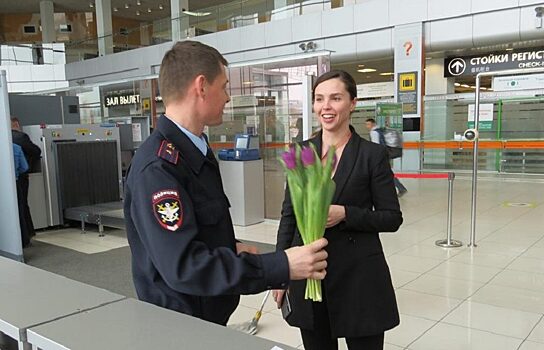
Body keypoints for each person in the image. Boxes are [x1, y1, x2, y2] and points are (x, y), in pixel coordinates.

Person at [123, 40, 328, 326]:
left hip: (206, 317)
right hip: (180, 327)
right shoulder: (158, 169)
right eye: (224, 86)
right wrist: (282, 266)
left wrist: (229, 246)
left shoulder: (195, 151)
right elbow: (185, 267)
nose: (228, 97)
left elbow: (195, 229)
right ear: (202, 86)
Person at [274, 70, 403, 350]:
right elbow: (289, 216)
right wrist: (280, 271)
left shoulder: (371, 155)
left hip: (359, 277)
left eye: (335, 98)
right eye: (319, 99)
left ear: (352, 103)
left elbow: (392, 217)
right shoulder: (302, 152)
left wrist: (345, 213)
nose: (326, 106)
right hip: (310, 275)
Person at [11, 117, 41, 240]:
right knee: (22, 204)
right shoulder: (21, 137)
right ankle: (27, 233)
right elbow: (36, 151)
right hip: (20, 178)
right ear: (16, 124)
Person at [365, 118, 408, 197]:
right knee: (384, 173)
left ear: (373, 124)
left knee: (382, 173)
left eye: (368, 124)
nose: (367, 126)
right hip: (384, 154)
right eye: (366, 124)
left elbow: (376, 146)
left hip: (379, 156)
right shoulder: (380, 130)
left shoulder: (374, 132)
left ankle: (399, 188)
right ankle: (400, 188)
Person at [13, 143, 31, 248]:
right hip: (14, 183)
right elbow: (24, 167)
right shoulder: (16, 147)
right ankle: (23, 240)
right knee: (19, 211)